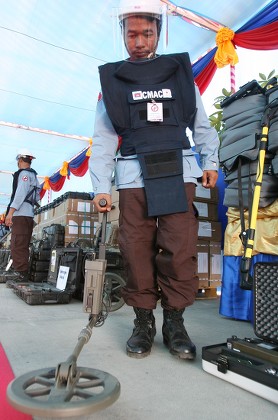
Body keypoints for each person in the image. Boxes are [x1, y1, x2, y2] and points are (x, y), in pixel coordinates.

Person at [89, 0, 219, 360]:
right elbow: (102, 139)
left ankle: (174, 322)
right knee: (135, 249)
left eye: (147, 33)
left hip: (178, 171)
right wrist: (101, 187)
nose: (140, 41)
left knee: (180, 247)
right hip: (133, 175)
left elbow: (202, 125)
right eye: (132, 34)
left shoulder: (180, 74)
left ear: (159, 33)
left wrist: (211, 161)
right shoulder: (112, 82)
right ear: (123, 36)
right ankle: (143, 321)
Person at [2, 149, 40, 281]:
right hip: (27, 214)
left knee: (17, 244)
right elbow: (37, 197)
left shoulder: (24, 174)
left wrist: (10, 213)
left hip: (21, 214)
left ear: (20, 161)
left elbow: (20, 194)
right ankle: (22, 271)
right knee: (22, 244)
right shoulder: (34, 176)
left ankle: (21, 272)